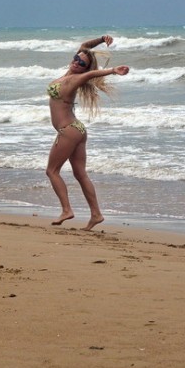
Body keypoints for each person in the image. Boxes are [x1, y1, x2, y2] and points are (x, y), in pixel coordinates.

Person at [46, 35, 130, 231]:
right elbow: (84, 47)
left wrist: (113, 71)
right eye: (76, 59)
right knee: (80, 174)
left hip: (69, 131)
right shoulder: (68, 73)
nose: (76, 63)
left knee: (51, 171)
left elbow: (90, 76)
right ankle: (96, 214)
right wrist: (101, 39)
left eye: (81, 63)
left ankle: (66, 210)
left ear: (85, 68)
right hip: (78, 130)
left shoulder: (76, 78)